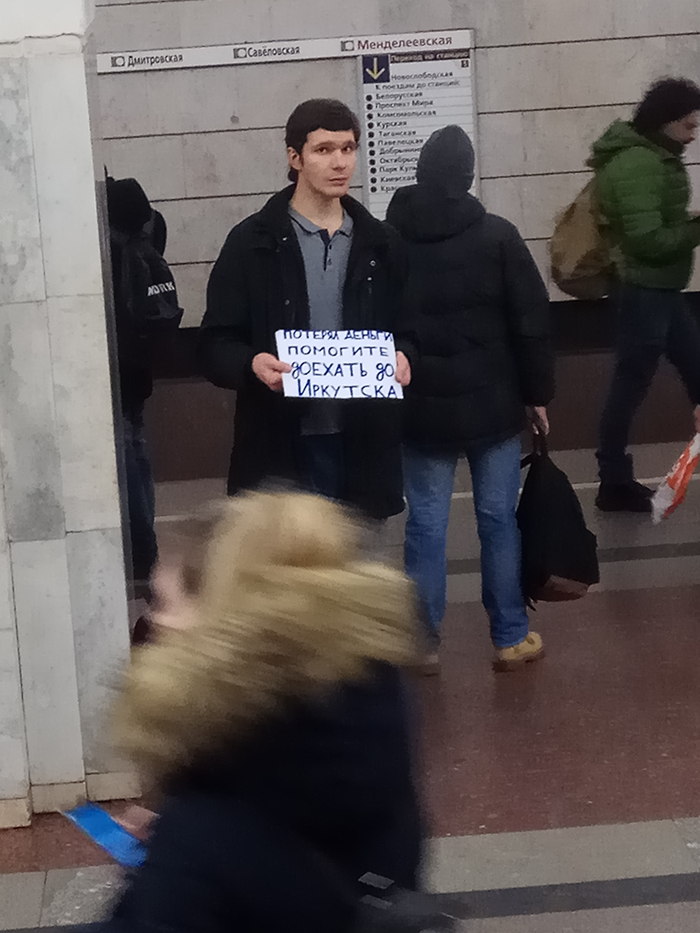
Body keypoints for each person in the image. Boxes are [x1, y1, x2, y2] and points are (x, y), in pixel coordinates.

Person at [99, 491, 433, 933]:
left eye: (164, 602)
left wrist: (180, 851)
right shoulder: (365, 725)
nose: (155, 622)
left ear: (227, 616)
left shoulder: (201, 836)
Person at [387, 125, 554, 673]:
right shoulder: (499, 237)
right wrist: (538, 396)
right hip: (494, 408)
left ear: (420, 173)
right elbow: (531, 324)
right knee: (497, 520)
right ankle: (510, 636)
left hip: (422, 409)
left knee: (426, 526)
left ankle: (423, 642)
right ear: (468, 175)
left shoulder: (393, 241)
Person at [199, 99, 415, 519]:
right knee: (286, 577)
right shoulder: (251, 243)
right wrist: (251, 363)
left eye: (348, 149)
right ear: (294, 158)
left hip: (363, 444)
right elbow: (215, 343)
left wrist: (406, 355)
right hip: (281, 448)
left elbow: (411, 329)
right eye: (324, 150)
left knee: (356, 576)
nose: (340, 163)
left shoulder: (383, 244)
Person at [590, 78, 700, 512]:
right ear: (665, 121)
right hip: (643, 290)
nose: (693, 134)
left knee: (695, 368)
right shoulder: (637, 163)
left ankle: (613, 477)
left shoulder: (653, 157)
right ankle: (612, 480)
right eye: (689, 125)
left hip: (661, 289)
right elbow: (646, 239)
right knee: (629, 385)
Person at [107, 178, 170, 590]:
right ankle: (147, 550)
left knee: (127, 463)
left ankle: (141, 556)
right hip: (140, 372)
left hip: (119, 374)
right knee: (138, 459)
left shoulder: (110, 249)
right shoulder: (150, 237)